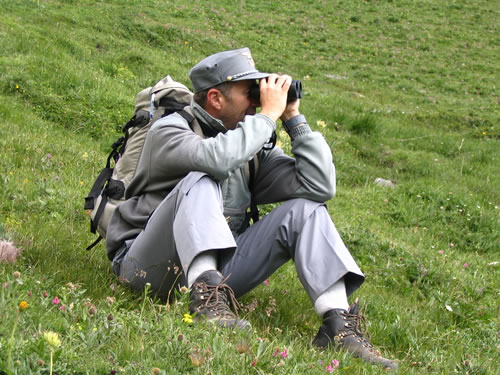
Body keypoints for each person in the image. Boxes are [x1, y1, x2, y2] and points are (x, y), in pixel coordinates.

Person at [105, 48, 398, 370]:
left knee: (305, 209)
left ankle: (339, 328)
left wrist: (293, 120)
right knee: (202, 178)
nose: (259, 102)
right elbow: (216, 160)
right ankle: (206, 300)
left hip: (223, 274)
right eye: (250, 94)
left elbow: (320, 186)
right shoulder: (171, 130)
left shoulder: (251, 147)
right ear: (215, 98)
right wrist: (266, 118)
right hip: (146, 267)